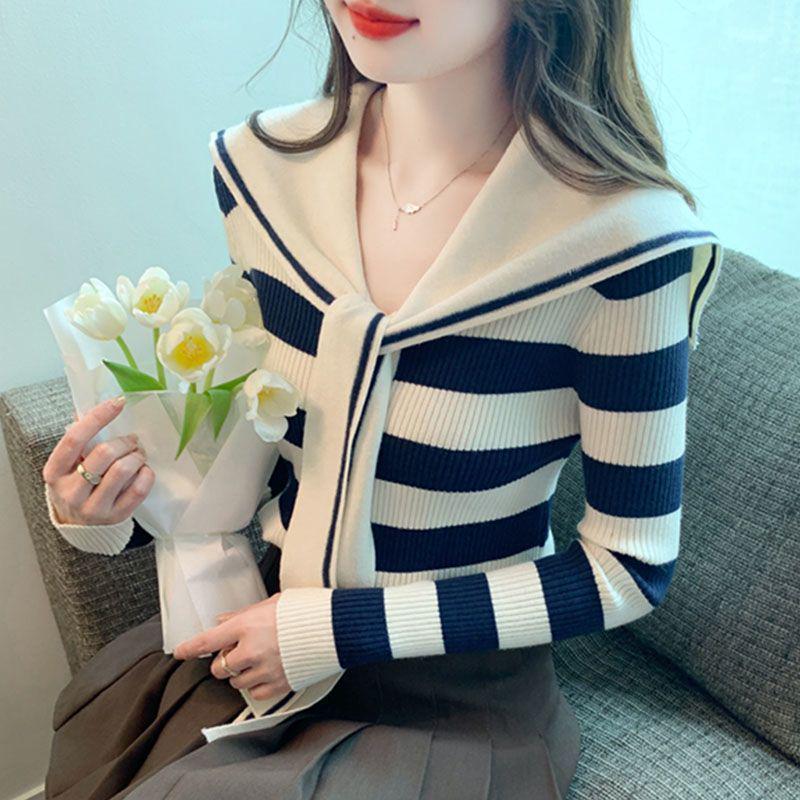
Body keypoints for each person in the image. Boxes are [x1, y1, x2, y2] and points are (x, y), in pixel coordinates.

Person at [41, 1, 724, 798]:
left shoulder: (624, 245)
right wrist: (112, 508)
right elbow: (274, 446)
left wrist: (331, 630)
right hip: (256, 641)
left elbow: (629, 566)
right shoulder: (261, 171)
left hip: (453, 694)